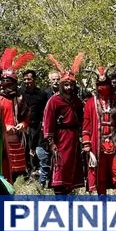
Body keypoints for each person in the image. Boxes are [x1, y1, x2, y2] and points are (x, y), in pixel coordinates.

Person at [82, 67, 116, 195]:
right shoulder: (90, 103)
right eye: (100, 85)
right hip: (97, 144)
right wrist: (86, 143)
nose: (103, 87)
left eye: (105, 85)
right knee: (100, 175)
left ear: (110, 85)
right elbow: (86, 124)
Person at [43, 53, 85, 194]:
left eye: (70, 84)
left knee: (72, 167)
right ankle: (59, 196)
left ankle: (69, 196)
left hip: (73, 137)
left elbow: (82, 118)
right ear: (61, 85)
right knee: (60, 166)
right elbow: (48, 123)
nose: (68, 87)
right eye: (65, 84)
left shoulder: (77, 101)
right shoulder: (54, 101)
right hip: (60, 137)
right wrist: (51, 142)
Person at [0, 48, 34, 183]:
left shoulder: (20, 99)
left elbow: (27, 116)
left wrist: (23, 124)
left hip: (17, 139)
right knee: (2, 167)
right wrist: (5, 126)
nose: (6, 85)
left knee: (17, 172)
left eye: (9, 82)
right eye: (4, 81)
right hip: (1, 139)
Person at [35, 71, 61, 189]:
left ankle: (55, 182)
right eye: (54, 79)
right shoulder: (45, 94)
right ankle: (42, 183)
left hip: (61, 130)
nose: (56, 82)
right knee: (45, 157)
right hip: (46, 128)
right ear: (50, 80)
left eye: (57, 79)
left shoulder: (65, 93)